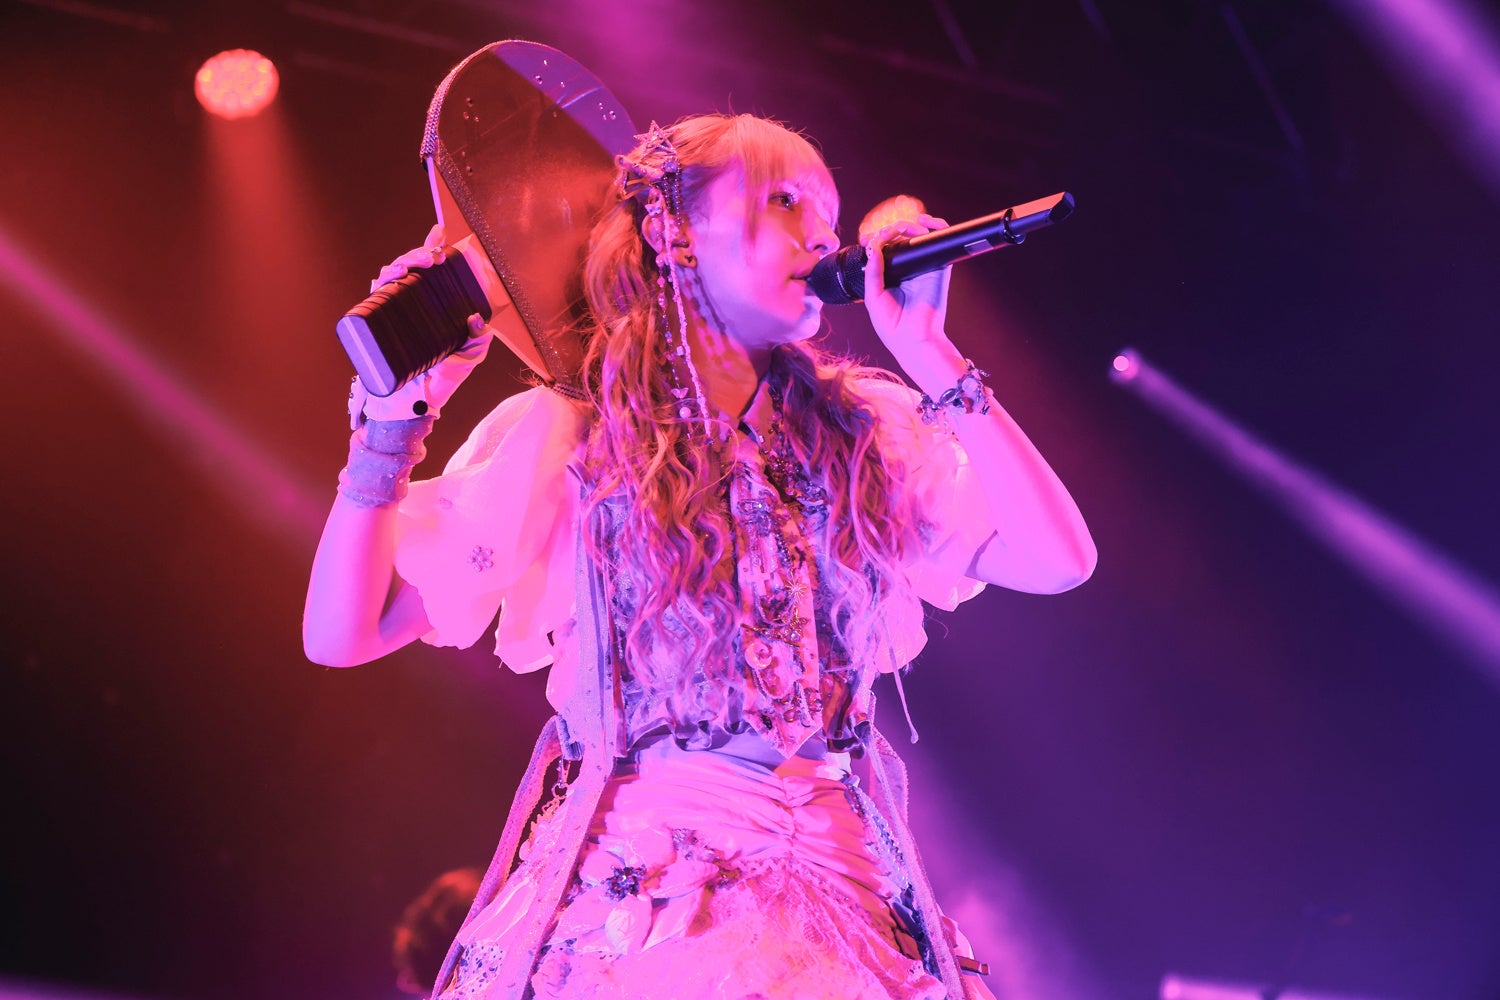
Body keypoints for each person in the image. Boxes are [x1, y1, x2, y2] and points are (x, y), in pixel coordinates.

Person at [305, 113, 1095, 999]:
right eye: (785, 201)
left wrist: (931, 355)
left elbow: (1058, 559)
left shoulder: (867, 431)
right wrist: (388, 430)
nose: (821, 237)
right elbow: (345, 632)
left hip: (847, 896)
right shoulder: (575, 436)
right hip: (652, 912)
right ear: (670, 231)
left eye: (828, 215)